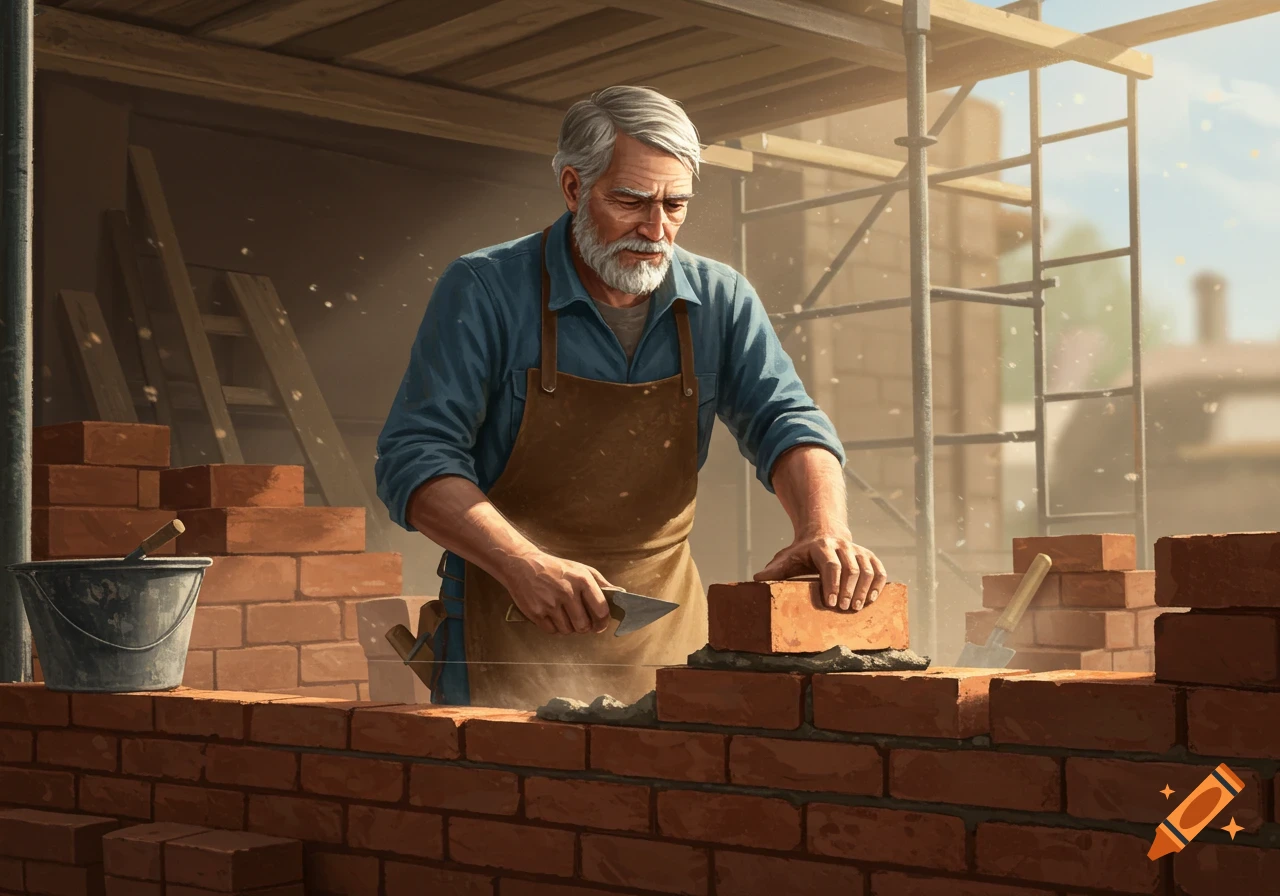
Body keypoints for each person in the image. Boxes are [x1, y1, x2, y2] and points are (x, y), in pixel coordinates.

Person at [375, 85, 887, 709]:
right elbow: (415, 457)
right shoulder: (484, 289)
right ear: (573, 187)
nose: (656, 229)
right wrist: (520, 564)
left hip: (664, 632)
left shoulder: (720, 299)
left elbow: (787, 419)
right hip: (507, 623)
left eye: (675, 204)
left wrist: (822, 528)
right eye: (630, 201)